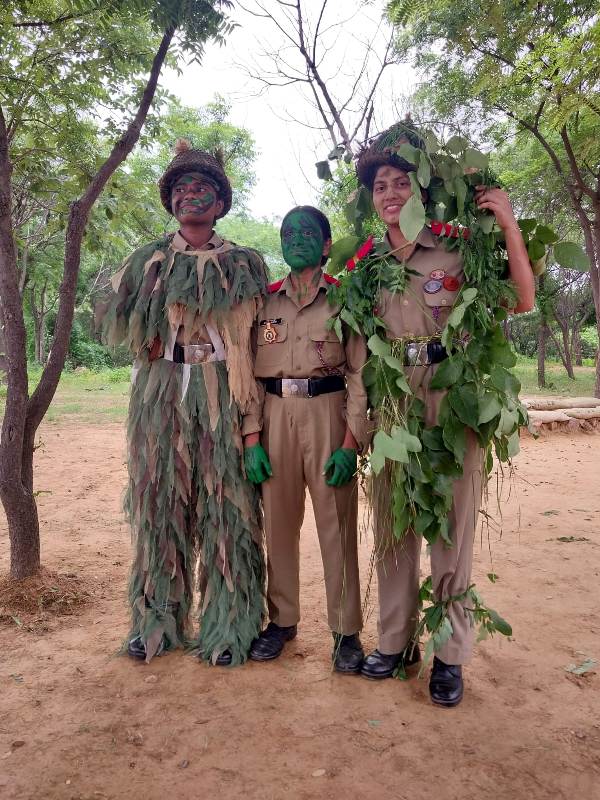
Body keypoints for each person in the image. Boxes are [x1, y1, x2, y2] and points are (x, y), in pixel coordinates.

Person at [354, 125, 535, 705]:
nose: (390, 193)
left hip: (452, 395)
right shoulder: (366, 267)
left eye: (401, 182)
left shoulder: (459, 249)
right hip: (393, 399)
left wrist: (508, 224)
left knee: (451, 529)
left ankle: (450, 656)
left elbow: (523, 299)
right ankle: (394, 641)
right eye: (381, 185)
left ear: (423, 189)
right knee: (395, 523)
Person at [100, 139, 268, 665]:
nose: (189, 194)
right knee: (160, 506)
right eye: (180, 188)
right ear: (170, 201)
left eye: (201, 187)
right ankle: (155, 620)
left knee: (228, 510)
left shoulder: (244, 263)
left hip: (224, 393)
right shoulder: (147, 261)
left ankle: (230, 626)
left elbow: (258, 341)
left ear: (220, 201)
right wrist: (147, 334)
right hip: (162, 395)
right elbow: (116, 318)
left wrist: (251, 421)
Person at [242, 206, 369, 673]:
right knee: (278, 525)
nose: (296, 239)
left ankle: (346, 631)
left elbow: (360, 373)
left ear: (325, 244)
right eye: (288, 232)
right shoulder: (263, 303)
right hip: (274, 415)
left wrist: (351, 443)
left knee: (336, 526)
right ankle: (282, 621)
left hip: (327, 414)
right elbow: (247, 375)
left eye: (307, 232)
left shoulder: (343, 298)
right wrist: (251, 438)